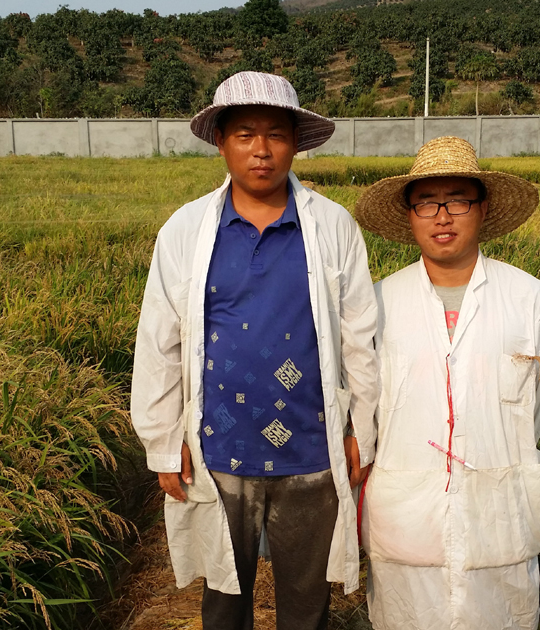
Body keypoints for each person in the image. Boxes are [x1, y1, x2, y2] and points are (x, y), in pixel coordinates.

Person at [130, 71, 378, 630]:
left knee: (307, 602)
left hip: (312, 451)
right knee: (223, 601)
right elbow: (160, 341)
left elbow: (360, 337)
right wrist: (165, 443)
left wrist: (362, 428)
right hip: (220, 451)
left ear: (296, 144)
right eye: (245, 134)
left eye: (276, 134)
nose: (261, 150)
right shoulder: (185, 230)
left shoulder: (332, 226)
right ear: (221, 141)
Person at [354, 136, 540, 630]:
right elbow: (366, 409)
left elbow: (535, 406)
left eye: (458, 200)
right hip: (406, 516)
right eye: (426, 202)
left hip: (498, 512)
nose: (442, 216)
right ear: (410, 215)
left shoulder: (527, 298)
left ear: (483, 208)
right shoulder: (379, 303)